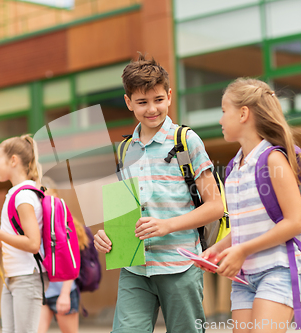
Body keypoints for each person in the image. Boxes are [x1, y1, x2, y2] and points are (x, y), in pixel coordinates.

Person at [93, 54, 224, 333]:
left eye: (158, 100)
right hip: (134, 269)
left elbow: (215, 206)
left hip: (180, 265)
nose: (152, 109)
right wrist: (107, 235)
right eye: (142, 102)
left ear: (169, 96)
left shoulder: (186, 140)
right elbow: (122, 214)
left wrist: (167, 226)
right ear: (128, 102)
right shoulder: (124, 150)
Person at [198, 78, 301, 333]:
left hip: (277, 271)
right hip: (244, 277)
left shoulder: (273, 159)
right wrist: (216, 250)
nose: (220, 119)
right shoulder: (234, 168)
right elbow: (246, 228)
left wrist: (242, 250)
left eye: (224, 111)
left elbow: (295, 222)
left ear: (244, 113)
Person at [0, 134, 49, 333]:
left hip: (27, 277)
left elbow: (33, 244)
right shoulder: (16, 194)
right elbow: (19, 242)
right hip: (13, 277)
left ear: (13, 160)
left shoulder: (24, 196)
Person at [38, 178, 89, 333]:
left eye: (47, 196)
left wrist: (65, 294)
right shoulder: (36, 224)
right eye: (40, 198)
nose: (43, 202)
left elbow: (71, 260)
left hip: (63, 290)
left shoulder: (66, 224)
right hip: (42, 293)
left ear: (56, 197)